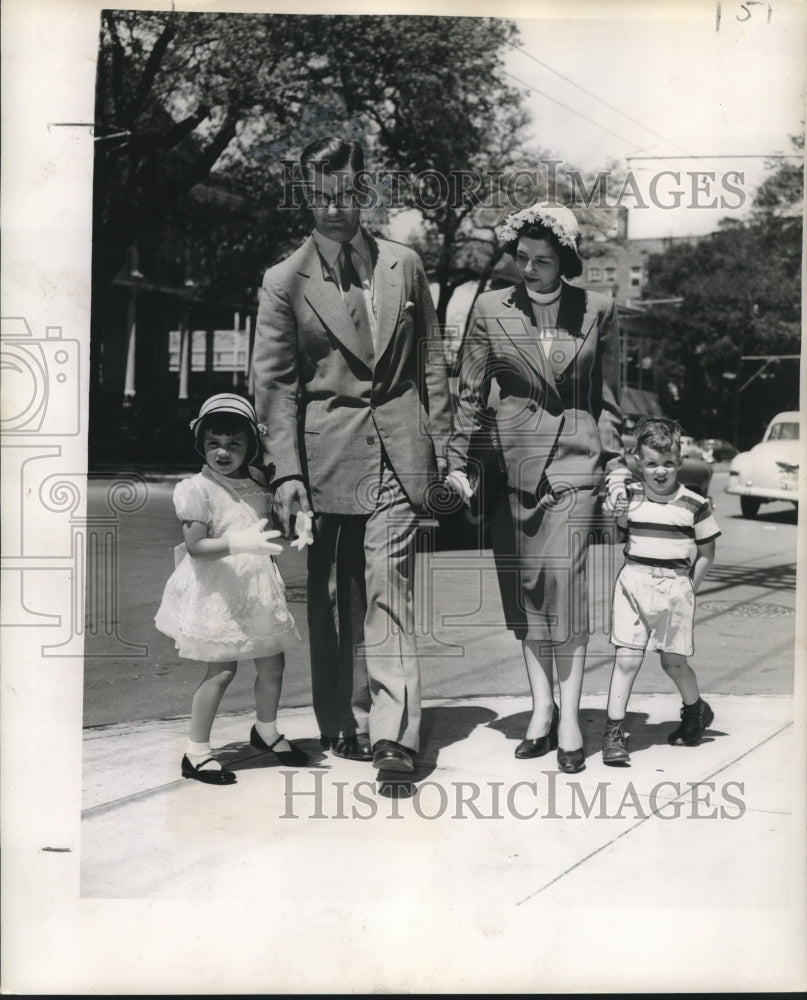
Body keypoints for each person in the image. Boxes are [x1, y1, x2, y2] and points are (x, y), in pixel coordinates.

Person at [252, 137, 452, 774]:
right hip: (325, 457)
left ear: (365, 192)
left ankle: (395, 735)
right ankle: (340, 718)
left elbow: (431, 359)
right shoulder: (284, 282)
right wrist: (285, 471)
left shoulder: (405, 264)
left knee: (388, 590)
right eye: (321, 197)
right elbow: (276, 384)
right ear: (307, 196)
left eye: (347, 195)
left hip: (401, 454)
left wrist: (443, 447)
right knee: (334, 594)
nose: (335, 209)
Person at [446, 202, 627, 773]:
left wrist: (617, 464)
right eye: (521, 258)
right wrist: (457, 463)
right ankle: (541, 710)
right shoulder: (489, 308)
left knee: (564, 590)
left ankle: (571, 719)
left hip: (576, 466)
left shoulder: (597, 309)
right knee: (527, 595)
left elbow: (609, 399)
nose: (528, 269)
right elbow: (470, 395)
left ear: (565, 261)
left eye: (542, 261)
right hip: (513, 467)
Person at [155, 393, 312, 785]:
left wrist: (302, 520)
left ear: (251, 445)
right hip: (221, 590)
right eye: (214, 444)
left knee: (273, 665)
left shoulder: (260, 481)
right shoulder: (197, 489)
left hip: (258, 589)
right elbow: (195, 547)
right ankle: (197, 752)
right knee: (221, 670)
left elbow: (274, 522)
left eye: (234, 444)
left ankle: (266, 730)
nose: (223, 452)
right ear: (201, 443)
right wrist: (238, 544)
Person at [601, 416, 719, 765]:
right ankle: (613, 733)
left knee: (674, 662)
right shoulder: (632, 497)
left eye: (668, 463)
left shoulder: (695, 504)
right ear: (639, 461)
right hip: (633, 582)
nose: (661, 471)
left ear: (680, 461)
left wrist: (689, 588)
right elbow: (618, 518)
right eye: (651, 463)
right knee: (626, 659)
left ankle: (696, 711)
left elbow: (707, 553)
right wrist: (615, 504)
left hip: (675, 587)